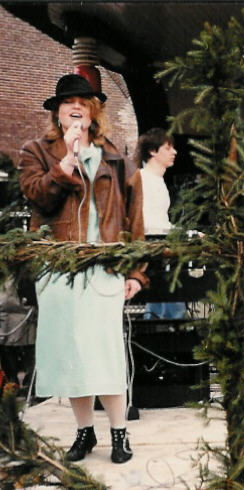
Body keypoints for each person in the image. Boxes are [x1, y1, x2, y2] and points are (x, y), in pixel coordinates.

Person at [18, 74, 147, 463]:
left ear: (93, 114)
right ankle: (84, 432)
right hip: (59, 270)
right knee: (72, 355)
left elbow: (134, 220)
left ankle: (119, 433)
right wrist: (67, 162)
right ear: (58, 114)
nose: (76, 107)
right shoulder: (36, 152)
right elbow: (37, 195)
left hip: (103, 270)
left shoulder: (116, 159)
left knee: (105, 353)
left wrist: (135, 272)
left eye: (84, 102)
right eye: (68, 102)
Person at [131, 128, 186, 320]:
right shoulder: (142, 179)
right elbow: (147, 222)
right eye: (168, 148)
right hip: (149, 249)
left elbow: (160, 220)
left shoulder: (158, 181)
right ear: (152, 151)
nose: (174, 152)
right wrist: (183, 234)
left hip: (158, 247)